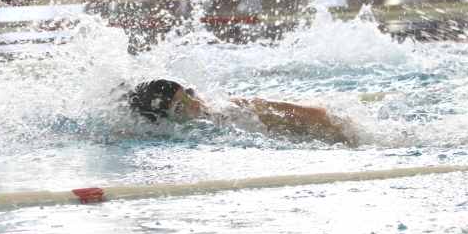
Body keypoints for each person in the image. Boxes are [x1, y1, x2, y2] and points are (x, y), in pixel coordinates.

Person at [127, 79, 356, 144]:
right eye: (180, 107)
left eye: (190, 94)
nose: (194, 105)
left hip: (337, 131)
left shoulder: (232, 111)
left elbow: (316, 116)